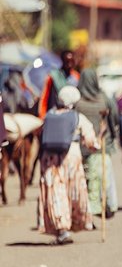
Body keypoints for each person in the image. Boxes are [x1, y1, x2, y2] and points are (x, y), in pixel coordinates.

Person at [37, 86, 98, 244]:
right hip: (70, 157)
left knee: (56, 192)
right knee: (72, 192)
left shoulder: (49, 116)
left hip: (49, 159)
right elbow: (91, 141)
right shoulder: (78, 117)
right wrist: (96, 144)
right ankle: (70, 226)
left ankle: (61, 229)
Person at [75, 69, 119, 219]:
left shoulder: (76, 101)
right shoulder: (104, 98)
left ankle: (87, 212)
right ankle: (106, 206)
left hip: (81, 148)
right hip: (102, 146)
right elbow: (114, 118)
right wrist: (112, 134)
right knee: (103, 180)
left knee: (85, 181)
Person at [38, 50, 80, 119]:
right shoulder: (53, 76)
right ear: (62, 61)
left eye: (71, 61)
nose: (69, 64)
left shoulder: (76, 77)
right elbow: (45, 97)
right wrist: (42, 116)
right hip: (56, 114)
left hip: (72, 116)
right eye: (67, 61)